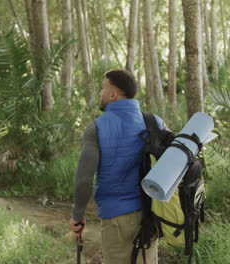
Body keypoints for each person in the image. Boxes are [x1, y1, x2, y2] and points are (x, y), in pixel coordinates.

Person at [69, 69, 161, 264]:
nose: (100, 94)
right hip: (150, 217)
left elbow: (84, 179)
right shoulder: (154, 122)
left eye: (103, 89)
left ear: (113, 95)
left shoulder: (96, 127)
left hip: (115, 220)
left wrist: (78, 216)